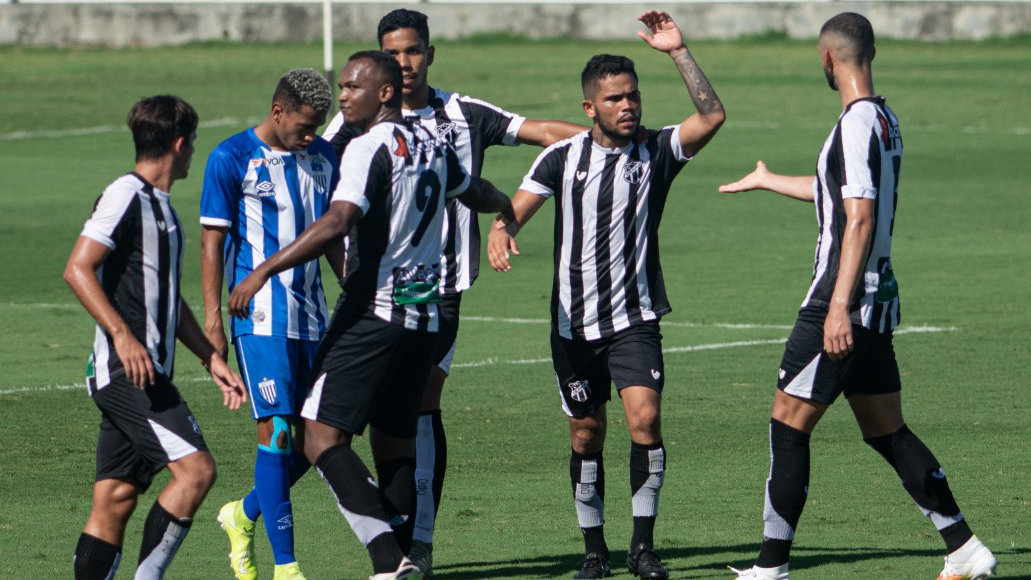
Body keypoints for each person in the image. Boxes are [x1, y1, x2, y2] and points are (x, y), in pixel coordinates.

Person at [718, 12, 996, 580]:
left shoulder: (854, 123)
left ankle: (770, 568)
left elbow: (861, 218)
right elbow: (839, 196)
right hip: (879, 300)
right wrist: (771, 180)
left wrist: (839, 304)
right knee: (885, 429)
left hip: (842, 301)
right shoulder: (884, 119)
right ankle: (965, 548)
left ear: (827, 57)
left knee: (788, 423)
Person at [228, 51, 515, 580]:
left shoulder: (368, 148)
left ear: (384, 93)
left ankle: (386, 558)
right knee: (395, 437)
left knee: (318, 437)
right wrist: (505, 206)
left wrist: (263, 269)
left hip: (374, 313)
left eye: (351, 87)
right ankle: (406, 559)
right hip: (425, 318)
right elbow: (472, 190)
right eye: (340, 87)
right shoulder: (433, 142)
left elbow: (339, 218)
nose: (342, 97)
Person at [322, 10, 586, 575]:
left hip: (440, 293)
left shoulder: (462, 114)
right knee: (355, 419)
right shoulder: (352, 128)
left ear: (430, 53)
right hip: (370, 297)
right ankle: (386, 539)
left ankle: (414, 540)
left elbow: (539, 132)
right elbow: (326, 209)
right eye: (393, 53)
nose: (405, 62)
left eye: (413, 51)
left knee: (417, 407)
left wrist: (605, 139)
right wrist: (347, 276)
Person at [487, 11, 725, 580]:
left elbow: (711, 116)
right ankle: (594, 550)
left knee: (644, 420)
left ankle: (642, 546)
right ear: (590, 107)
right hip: (573, 325)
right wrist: (500, 232)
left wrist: (679, 51)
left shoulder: (658, 151)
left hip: (635, 319)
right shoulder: (561, 157)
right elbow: (513, 213)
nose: (629, 106)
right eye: (615, 98)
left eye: (633, 96)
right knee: (585, 431)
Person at [64, 95, 247, 580]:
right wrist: (122, 336)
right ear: (180, 144)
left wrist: (211, 359)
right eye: (192, 146)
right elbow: (77, 268)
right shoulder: (126, 194)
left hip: (144, 370)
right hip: (128, 372)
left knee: (116, 497)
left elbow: (168, 299)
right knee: (198, 471)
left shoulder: (162, 207)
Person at [199, 68, 341, 580]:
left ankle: (243, 514)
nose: (312, 134)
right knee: (278, 430)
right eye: (304, 125)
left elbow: (333, 237)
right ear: (277, 112)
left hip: (313, 317)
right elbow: (212, 242)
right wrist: (213, 322)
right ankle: (288, 567)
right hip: (257, 317)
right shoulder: (231, 158)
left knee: (324, 440)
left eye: (318, 125)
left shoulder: (324, 156)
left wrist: (358, 295)